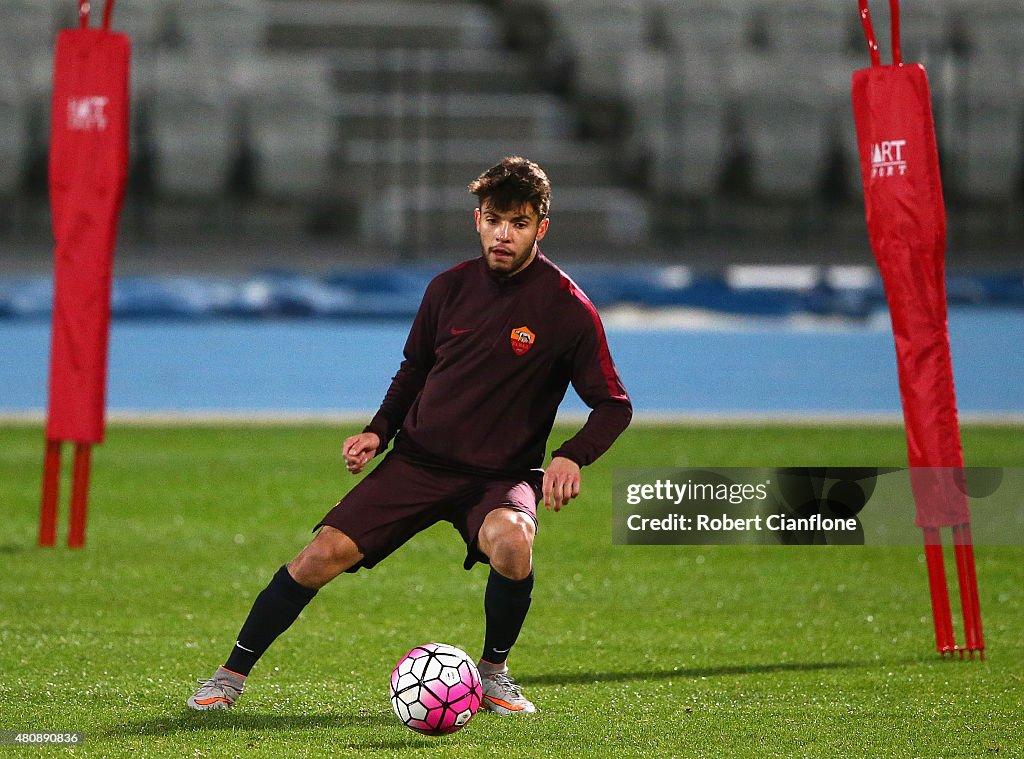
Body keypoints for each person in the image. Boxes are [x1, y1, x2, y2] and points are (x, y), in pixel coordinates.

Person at [187, 156, 632, 715]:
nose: (503, 233)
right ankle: (228, 677)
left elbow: (614, 405)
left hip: (500, 477)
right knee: (319, 556)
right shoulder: (447, 289)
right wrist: (379, 430)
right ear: (477, 220)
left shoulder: (568, 310)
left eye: (518, 223)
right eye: (494, 219)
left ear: (540, 228)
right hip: (418, 462)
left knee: (514, 541)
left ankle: (493, 674)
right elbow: (414, 369)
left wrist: (571, 457)